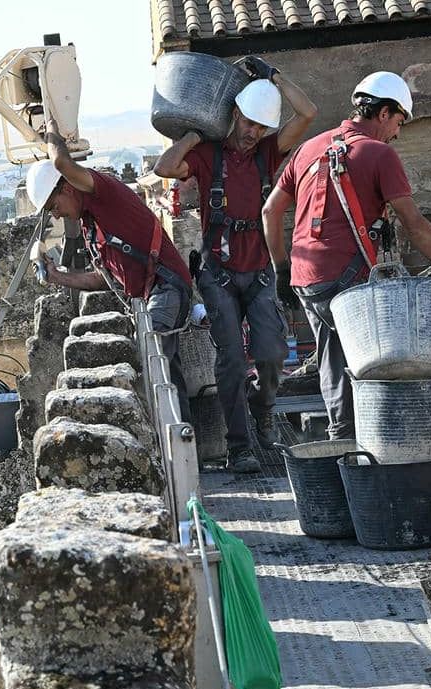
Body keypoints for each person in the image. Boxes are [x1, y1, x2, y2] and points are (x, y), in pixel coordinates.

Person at [261, 71, 431, 441]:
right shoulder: (379, 154)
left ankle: (342, 437)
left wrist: (281, 270)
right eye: (398, 121)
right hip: (348, 280)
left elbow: (269, 212)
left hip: (304, 281)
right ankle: (380, 444)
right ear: (384, 113)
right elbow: (416, 224)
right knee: (378, 358)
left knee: (332, 355)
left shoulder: (308, 149)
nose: (398, 132)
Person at [153, 56, 317, 472]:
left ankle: (263, 408)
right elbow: (164, 167)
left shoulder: (267, 151)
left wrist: (272, 74)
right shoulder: (208, 155)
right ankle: (239, 446)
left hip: (259, 272)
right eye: (247, 123)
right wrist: (193, 134)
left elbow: (309, 113)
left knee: (272, 352)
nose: (252, 133)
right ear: (234, 115)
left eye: (260, 127)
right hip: (219, 275)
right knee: (230, 361)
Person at [28, 119, 194, 421]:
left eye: (54, 205)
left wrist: (52, 129)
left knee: (151, 359)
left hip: (166, 286)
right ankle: (185, 440)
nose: (56, 214)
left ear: (67, 187)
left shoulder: (102, 192)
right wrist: (56, 277)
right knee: (165, 371)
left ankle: (180, 444)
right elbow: (103, 279)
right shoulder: (90, 224)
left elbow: (62, 161)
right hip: (148, 295)